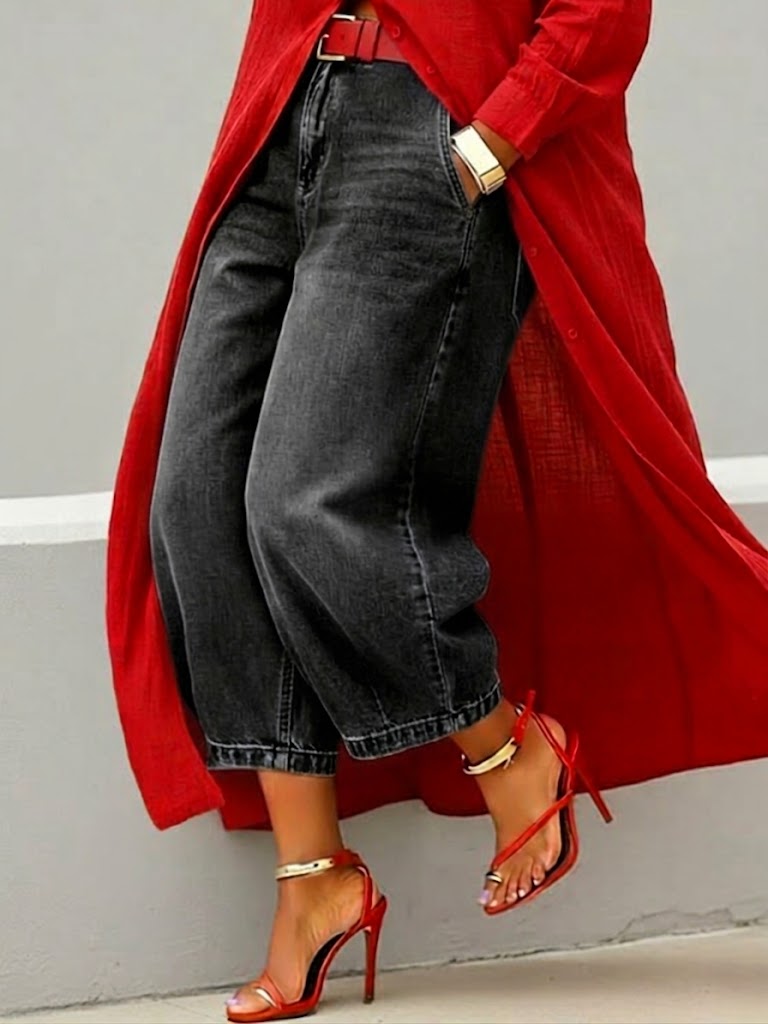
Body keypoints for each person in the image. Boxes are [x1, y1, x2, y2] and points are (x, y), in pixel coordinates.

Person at [105, 3, 768, 1023]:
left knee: (305, 504)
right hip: (288, 99)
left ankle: (509, 746)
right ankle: (315, 877)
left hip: (423, 120)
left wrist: (494, 137)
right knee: (195, 502)